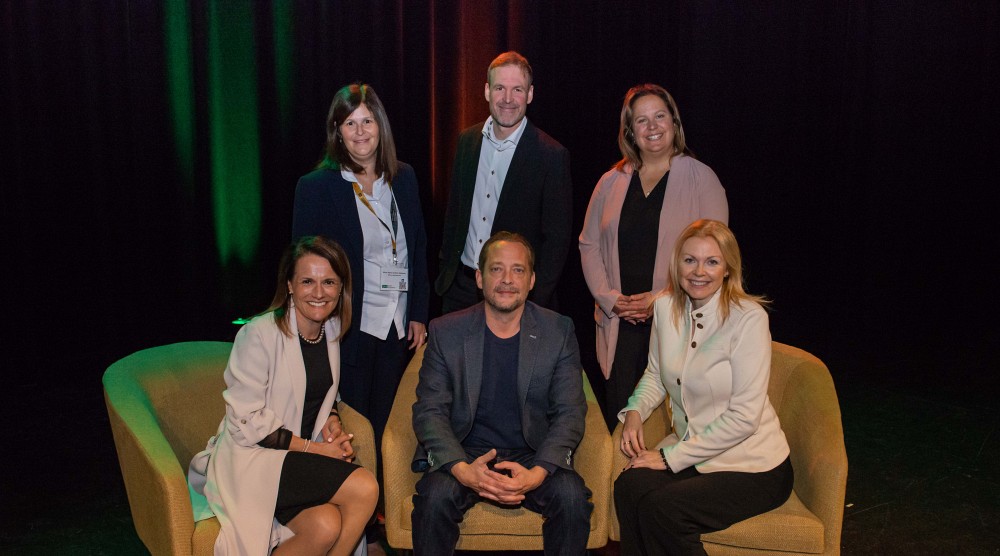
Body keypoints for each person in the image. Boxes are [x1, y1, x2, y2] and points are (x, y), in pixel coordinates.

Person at [188, 236, 378, 555]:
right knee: (365, 487)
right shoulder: (258, 334)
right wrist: (315, 449)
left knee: (325, 524)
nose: (319, 292)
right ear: (290, 285)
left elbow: (319, 393)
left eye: (329, 282)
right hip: (252, 461)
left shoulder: (328, 331)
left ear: (341, 287)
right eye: (307, 281)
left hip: (292, 460)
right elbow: (246, 422)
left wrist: (331, 420)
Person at [614, 220, 793, 556]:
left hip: (753, 466)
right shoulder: (666, 307)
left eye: (712, 261)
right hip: (696, 454)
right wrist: (635, 411)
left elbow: (744, 418)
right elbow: (655, 373)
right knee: (630, 486)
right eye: (689, 260)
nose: (699, 271)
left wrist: (669, 458)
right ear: (676, 264)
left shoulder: (748, 319)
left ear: (728, 269)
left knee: (664, 510)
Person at [412, 232, 593, 555]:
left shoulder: (558, 330)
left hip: (532, 452)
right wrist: (462, 469)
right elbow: (430, 411)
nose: (507, 280)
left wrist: (538, 473)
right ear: (480, 278)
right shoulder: (445, 331)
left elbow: (570, 411)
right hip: (465, 451)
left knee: (571, 498)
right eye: (496, 269)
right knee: (434, 498)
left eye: (518, 270)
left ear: (532, 279)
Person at [292, 83, 430, 471]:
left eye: (367, 120)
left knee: (388, 423)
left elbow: (416, 246)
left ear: (380, 125)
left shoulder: (404, 178)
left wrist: (418, 311)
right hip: (347, 326)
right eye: (349, 123)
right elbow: (301, 263)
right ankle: (356, 511)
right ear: (337, 131)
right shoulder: (316, 188)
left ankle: (384, 509)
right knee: (354, 425)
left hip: (395, 324)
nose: (360, 131)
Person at [579, 83, 729, 431]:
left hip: (679, 320)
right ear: (630, 131)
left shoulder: (702, 179)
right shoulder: (610, 181)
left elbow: (718, 256)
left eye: (659, 116)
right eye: (641, 120)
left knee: (669, 424)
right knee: (622, 419)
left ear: (674, 122)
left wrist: (662, 298)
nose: (652, 126)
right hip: (620, 323)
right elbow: (588, 244)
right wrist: (611, 300)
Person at [435, 51, 572, 313]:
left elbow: (556, 241)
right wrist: (447, 273)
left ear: (530, 94)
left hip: (512, 296)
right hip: (460, 290)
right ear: (487, 91)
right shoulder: (467, 141)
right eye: (500, 88)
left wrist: (533, 301)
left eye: (517, 89)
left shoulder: (551, 155)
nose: (508, 99)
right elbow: (453, 215)